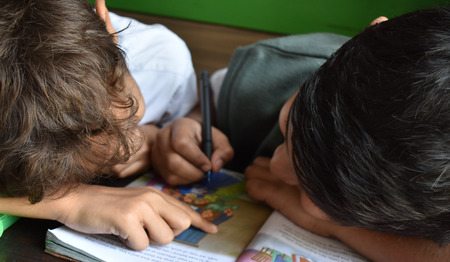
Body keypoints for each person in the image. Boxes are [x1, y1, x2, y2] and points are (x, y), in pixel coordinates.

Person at [154, 8, 450, 261]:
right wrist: (188, 123)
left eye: (318, 199)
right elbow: (207, 103)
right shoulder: (266, 73)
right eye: (287, 126)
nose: (275, 166)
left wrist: (337, 228)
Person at [0, 0, 218, 251]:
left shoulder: (164, 65)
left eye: (132, 115)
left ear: (107, 27)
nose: (132, 143)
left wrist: (183, 126)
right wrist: (70, 201)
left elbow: (196, 109)